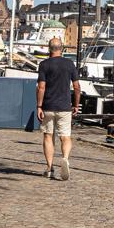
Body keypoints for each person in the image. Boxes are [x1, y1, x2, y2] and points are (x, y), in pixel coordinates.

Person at [36, 37, 80, 180]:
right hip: (64, 107)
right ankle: (65, 158)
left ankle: (49, 168)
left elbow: (41, 87)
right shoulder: (69, 64)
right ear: (62, 48)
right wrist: (76, 104)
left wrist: (39, 106)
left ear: (49, 49)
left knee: (48, 136)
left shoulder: (44, 64)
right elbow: (77, 86)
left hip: (48, 106)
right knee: (65, 137)